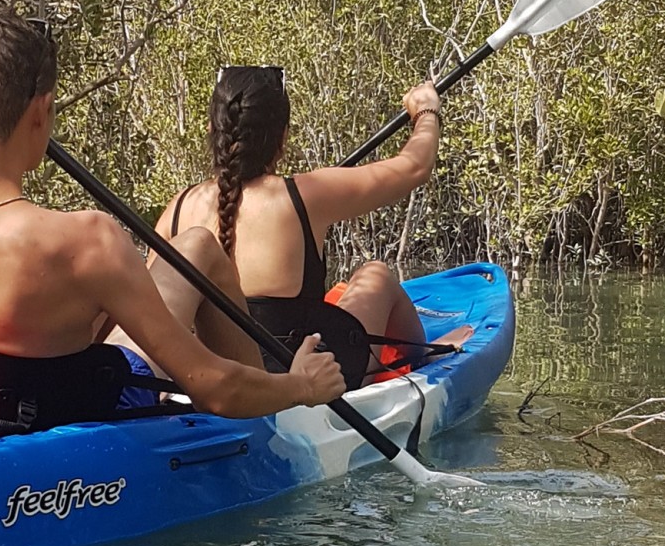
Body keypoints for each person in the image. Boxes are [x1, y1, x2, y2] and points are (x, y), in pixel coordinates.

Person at [0, 12, 345, 435]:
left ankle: (264, 411)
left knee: (194, 243)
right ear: (42, 111)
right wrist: (303, 386)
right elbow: (212, 386)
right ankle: (267, 421)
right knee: (199, 253)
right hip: (72, 428)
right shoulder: (83, 242)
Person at [155, 66, 468, 389]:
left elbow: (154, 308)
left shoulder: (178, 208)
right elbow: (414, 167)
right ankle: (421, 360)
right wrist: (427, 110)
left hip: (216, 382)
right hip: (309, 378)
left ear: (211, 129)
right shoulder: (305, 195)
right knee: (376, 275)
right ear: (283, 136)